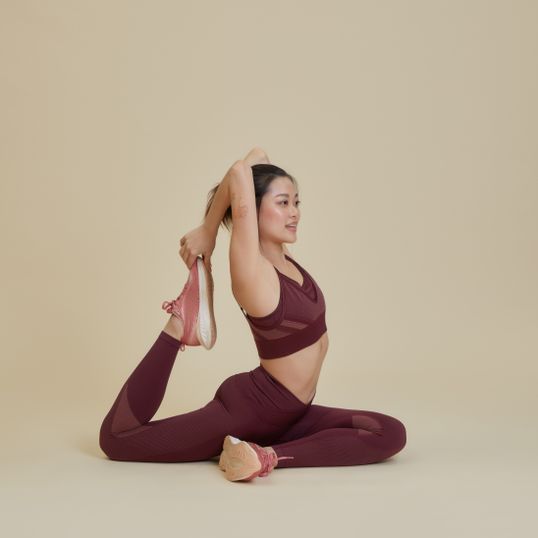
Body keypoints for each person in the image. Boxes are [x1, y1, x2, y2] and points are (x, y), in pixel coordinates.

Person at [99, 147, 407, 482]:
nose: (294, 212)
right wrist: (208, 231)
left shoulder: (284, 258)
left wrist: (258, 190)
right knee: (117, 439)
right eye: (282, 203)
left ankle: (263, 454)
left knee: (389, 432)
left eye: (296, 202)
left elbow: (257, 156)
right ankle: (178, 326)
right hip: (250, 412)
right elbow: (239, 172)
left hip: (291, 415)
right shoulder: (252, 269)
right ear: (253, 210)